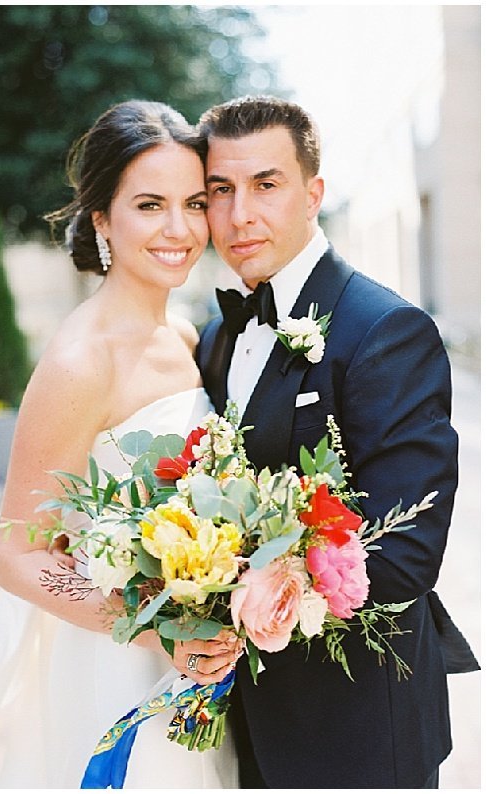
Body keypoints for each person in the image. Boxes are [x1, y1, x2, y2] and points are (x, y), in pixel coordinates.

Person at [0, 99, 239, 789]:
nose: (179, 229)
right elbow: (18, 553)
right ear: (100, 219)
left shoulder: (182, 333)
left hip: (201, 658)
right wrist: (159, 628)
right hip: (116, 663)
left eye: (193, 202)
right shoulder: (80, 360)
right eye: (149, 205)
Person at [195, 95, 478, 789]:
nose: (240, 216)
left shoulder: (386, 330)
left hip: (355, 729)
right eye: (219, 192)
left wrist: (253, 594)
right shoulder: (215, 333)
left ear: (314, 192)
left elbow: (404, 553)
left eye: (266, 185)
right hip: (242, 723)